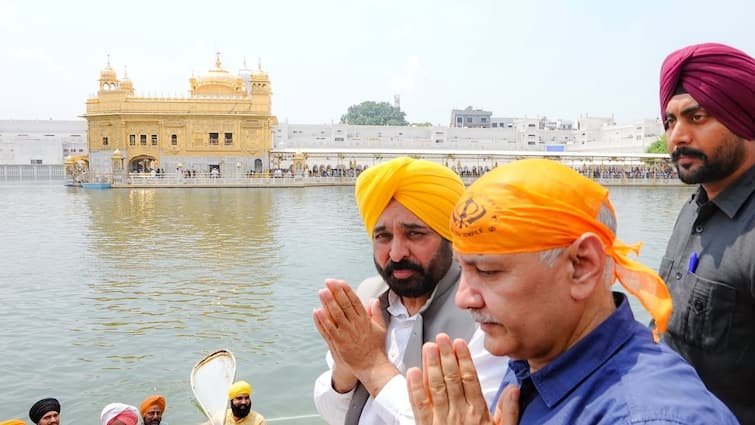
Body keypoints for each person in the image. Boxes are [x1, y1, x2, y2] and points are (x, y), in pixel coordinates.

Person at [405, 159, 738, 424]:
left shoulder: (647, 416)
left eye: (488, 272)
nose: (464, 298)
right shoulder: (531, 357)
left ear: (582, 265)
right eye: (463, 269)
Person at [313, 156, 506, 425]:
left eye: (414, 234)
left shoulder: (486, 314)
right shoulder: (372, 297)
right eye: (383, 237)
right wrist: (345, 369)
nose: (396, 253)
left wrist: (370, 364)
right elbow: (334, 413)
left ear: (451, 238)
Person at [658, 42, 755, 425]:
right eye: (669, 122)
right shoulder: (693, 209)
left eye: (696, 117)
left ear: (744, 118)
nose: (677, 136)